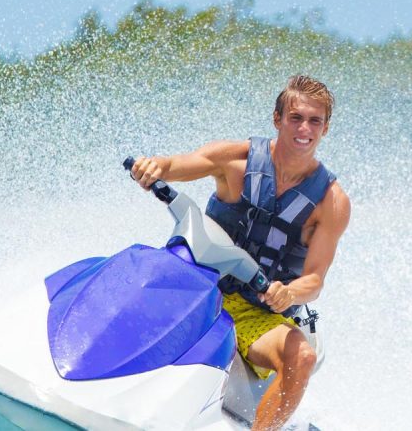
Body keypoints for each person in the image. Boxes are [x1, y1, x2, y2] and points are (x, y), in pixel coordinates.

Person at [131, 75, 350, 431]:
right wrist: (153, 166)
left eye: (315, 121)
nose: (304, 128)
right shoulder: (236, 160)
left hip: (254, 310)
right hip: (199, 281)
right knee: (136, 266)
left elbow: (315, 279)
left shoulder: (331, 202)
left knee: (303, 357)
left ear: (326, 128)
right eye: (295, 117)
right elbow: (175, 166)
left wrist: (289, 292)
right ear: (277, 119)